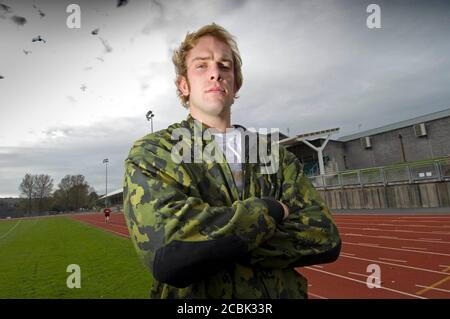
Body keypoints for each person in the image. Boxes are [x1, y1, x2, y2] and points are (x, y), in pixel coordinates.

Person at [123, 23, 341, 299]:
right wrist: (271, 210)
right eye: (201, 66)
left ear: (236, 82)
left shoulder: (275, 155)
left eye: (225, 66)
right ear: (183, 84)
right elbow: (171, 257)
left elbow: (325, 238)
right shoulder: (155, 151)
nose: (215, 73)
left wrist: (215, 242)